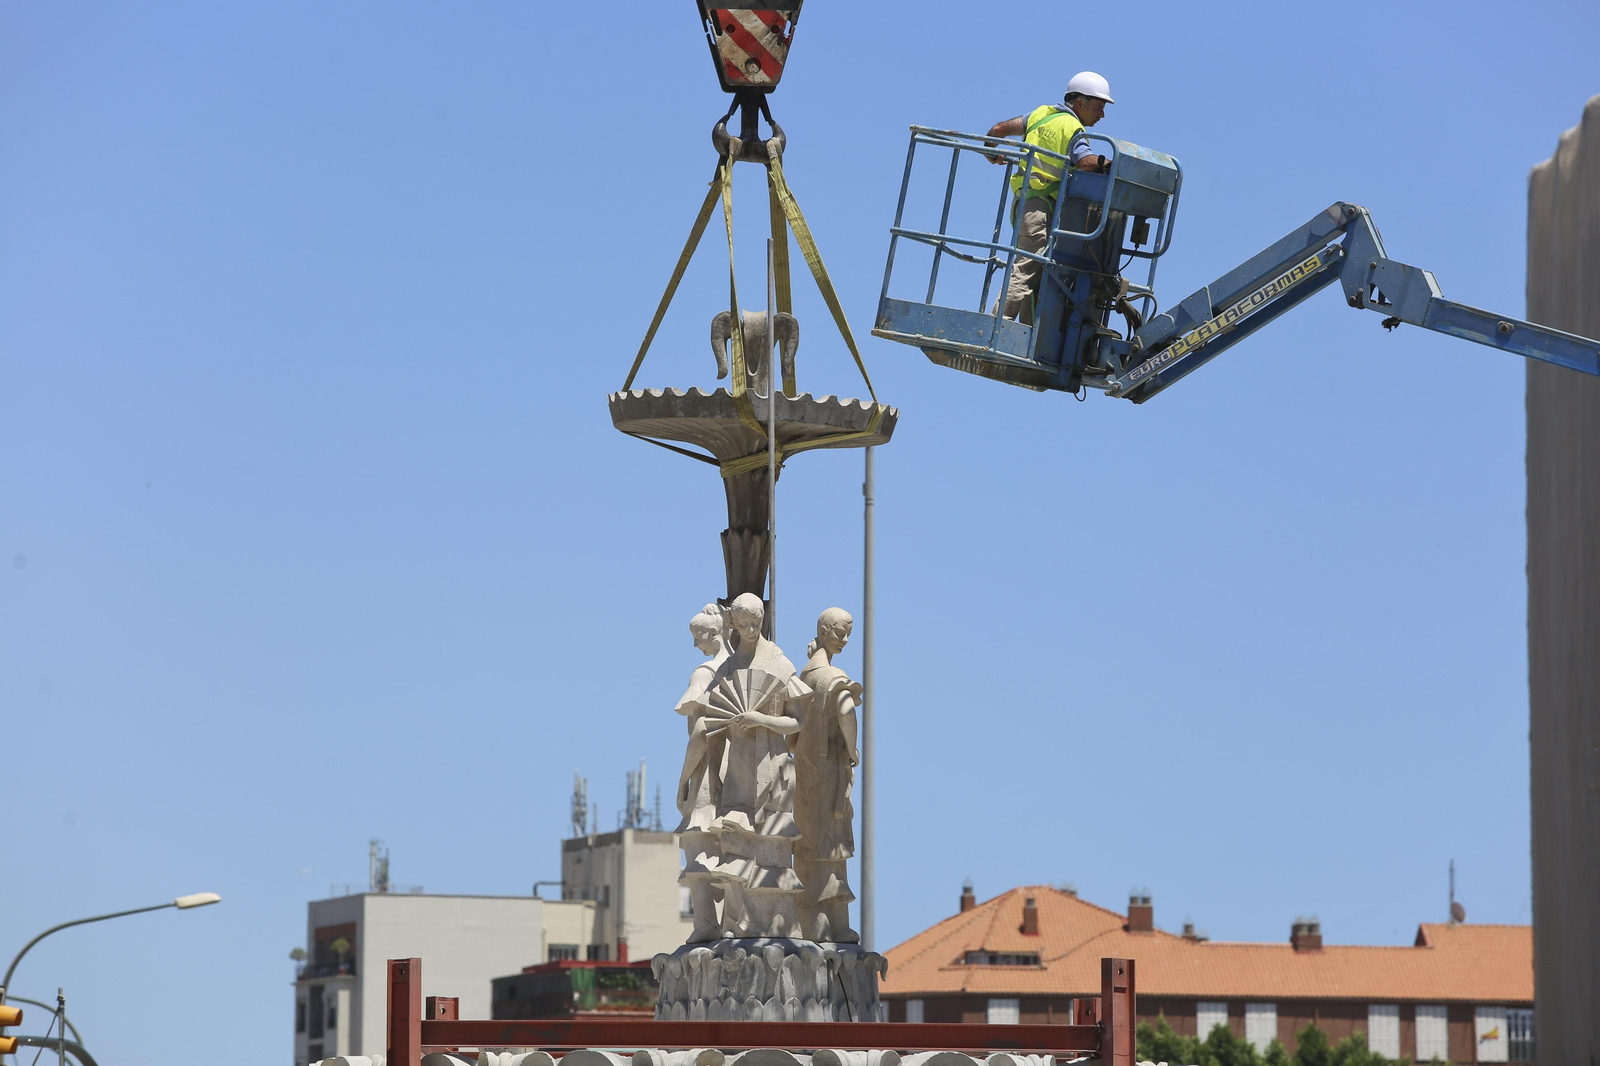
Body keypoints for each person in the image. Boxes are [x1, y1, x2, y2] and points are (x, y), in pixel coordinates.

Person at [987, 71, 1116, 325]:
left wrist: (991, 154)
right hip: (1040, 207)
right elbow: (1085, 162)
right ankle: (997, 321)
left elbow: (998, 130)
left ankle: (1026, 330)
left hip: (1024, 202)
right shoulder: (1073, 128)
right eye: (1099, 108)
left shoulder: (1040, 114)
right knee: (1029, 264)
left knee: (1037, 267)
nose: (1102, 115)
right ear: (1081, 103)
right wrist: (1113, 164)